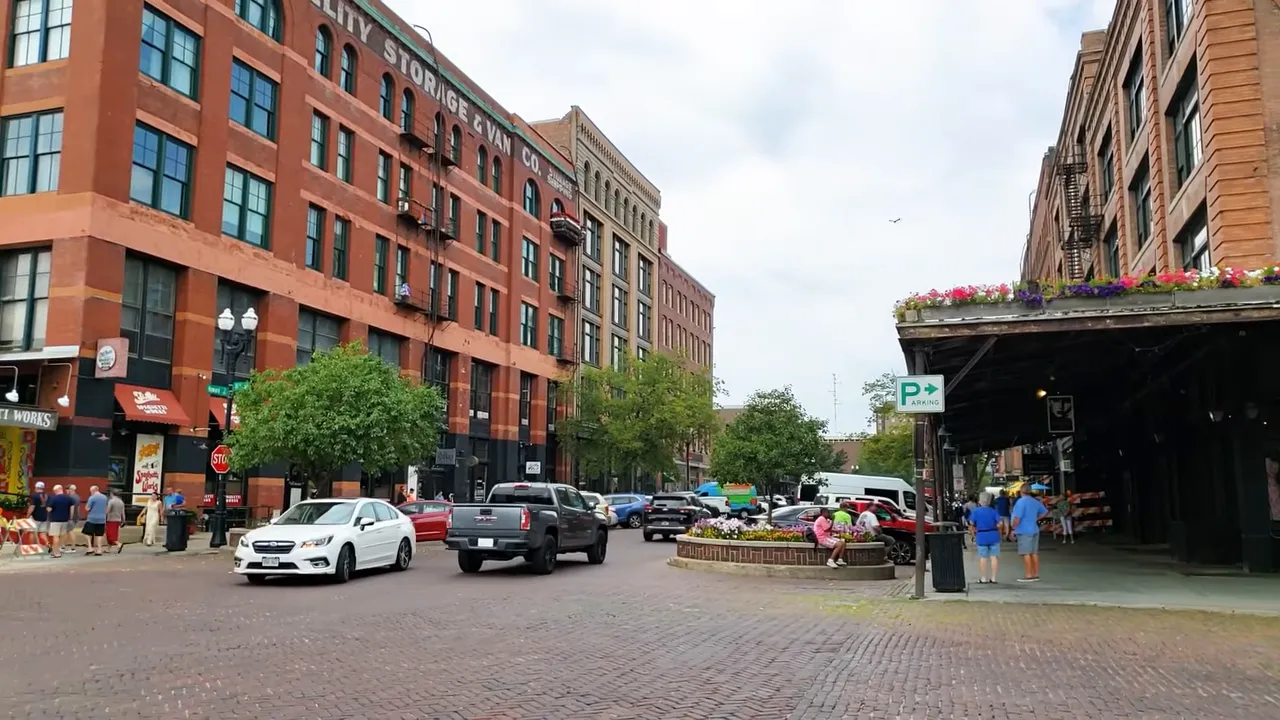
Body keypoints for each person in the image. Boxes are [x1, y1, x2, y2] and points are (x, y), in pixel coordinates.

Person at [1010, 485, 1048, 582]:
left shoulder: (1020, 502)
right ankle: (1036, 574)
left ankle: (1028, 575)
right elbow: (1044, 512)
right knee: (1034, 552)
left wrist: (1013, 528)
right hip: (1034, 528)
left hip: (1023, 530)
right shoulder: (1035, 501)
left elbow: (1017, 518)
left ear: (1021, 491)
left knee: (1025, 553)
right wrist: (1036, 518)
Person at [969, 492, 1002, 583]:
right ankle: (994, 578)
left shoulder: (976, 511)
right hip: (993, 535)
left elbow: (971, 524)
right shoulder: (993, 511)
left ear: (980, 501)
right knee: (994, 557)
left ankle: (983, 578)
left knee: (983, 557)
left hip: (981, 535)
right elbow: (1000, 524)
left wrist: (972, 535)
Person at [45, 485, 76, 558]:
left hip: (55, 520)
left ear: (56, 491)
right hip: (65, 520)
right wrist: (70, 517)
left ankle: (56, 552)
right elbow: (72, 508)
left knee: (55, 536)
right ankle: (59, 548)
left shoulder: (53, 499)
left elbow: (49, 509)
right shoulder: (69, 498)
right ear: (61, 489)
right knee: (62, 536)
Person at [82, 485, 108, 556]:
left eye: (90, 492)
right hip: (102, 519)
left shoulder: (92, 497)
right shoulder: (104, 497)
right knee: (99, 534)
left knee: (86, 533)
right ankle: (99, 549)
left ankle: (90, 547)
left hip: (92, 518)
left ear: (93, 491)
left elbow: (87, 508)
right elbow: (106, 509)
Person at [27, 481, 49, 549]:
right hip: (44, 517)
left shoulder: (34, 496)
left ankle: (33, 547)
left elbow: (32, 507)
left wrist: (27, 515)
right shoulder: (47, 496)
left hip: (35, 517)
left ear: (36, 487)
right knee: (43, 533)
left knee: (32, 532)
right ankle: (47, 543)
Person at [63, 484, 81, 553]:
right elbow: (78, 508)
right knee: (67, 531)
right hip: (75, 517)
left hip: (71, 517)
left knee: (70, 531)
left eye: (67, 489)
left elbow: (71, 508)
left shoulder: (71, 498)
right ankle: (63, 546)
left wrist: (70, 518)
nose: (66, 491)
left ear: (71, 490)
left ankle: (73, 548)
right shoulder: (77, 497)